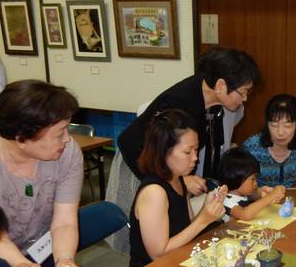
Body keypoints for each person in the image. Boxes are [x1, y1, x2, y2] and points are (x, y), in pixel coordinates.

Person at [107, 47, 260, 254]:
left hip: (167, 173)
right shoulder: (180, 102)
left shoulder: (209, 101)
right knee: (147, 239)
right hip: (139, 160)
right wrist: (172, 178)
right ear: (221, 85)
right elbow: (133, 143)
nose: (244, 99)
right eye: (242, 92)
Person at [0, 80, 83, 267]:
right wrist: (20, 264)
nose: (67, 139)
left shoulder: (68, 153)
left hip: (43, 253)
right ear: (22, 139)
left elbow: (64, 221)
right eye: (59, 132)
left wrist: (65, 261)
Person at [129, 110, 227, 267]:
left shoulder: (178, 177)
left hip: (177, 262)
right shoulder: (155, 193)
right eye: (188, 152)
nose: (195, 158)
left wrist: (207, 210)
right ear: (164, 151)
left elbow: (187, 229)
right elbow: (158, 255)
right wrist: (204, 219)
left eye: (196, 150)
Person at [242, 94, 296, 191]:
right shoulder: (251, 147)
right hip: (262, 202)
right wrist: (257, 194)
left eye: (287, 125)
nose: (280, 132)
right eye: (274, 125)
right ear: (267, 124)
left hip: (294, 201)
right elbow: (239, 187)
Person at [217, 148, 286, 221]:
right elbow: (245, 214)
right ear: (236, 178)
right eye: (253, 179)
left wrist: (261, 193)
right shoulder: (225, 199)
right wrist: (270, 197)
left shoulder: (242, 193)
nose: (256, 183)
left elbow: (252, 196)